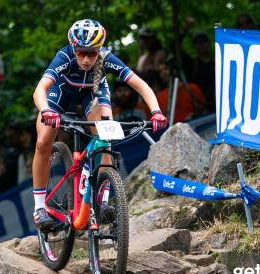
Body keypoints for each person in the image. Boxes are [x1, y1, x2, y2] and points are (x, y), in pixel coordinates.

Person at [32, 19, 167, 230]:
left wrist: (156, 111)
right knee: (43, 141)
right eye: (81, 53)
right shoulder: (64, 57)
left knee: (106, 135)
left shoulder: (107, 58)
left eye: (92, 53)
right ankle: (39, 207)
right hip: (61, 92)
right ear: (74, 49)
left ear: (99, 50)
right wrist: (46, 111)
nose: (86, 59)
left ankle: (103, 201)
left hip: (92, 92)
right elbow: (40, 90)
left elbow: (140, 85)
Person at [188, 32, 215, 112]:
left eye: (204, 41)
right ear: (194, 46)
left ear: (208, 43)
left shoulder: (218, 60)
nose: (201, 45)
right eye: (198, 43)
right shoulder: (192, 64)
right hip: (201, 105)